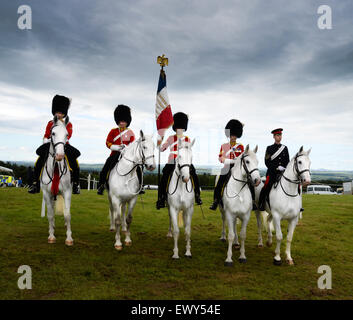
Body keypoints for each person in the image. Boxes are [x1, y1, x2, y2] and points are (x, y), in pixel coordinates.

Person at [28, 95, 81, 194]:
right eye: (57, 112)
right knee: (38, 162)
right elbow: (46, 134)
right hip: (50, 144)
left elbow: (68, 135)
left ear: (64, 114)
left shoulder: (68, 124)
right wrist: (46, 140)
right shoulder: (50, 123)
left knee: (74, 162)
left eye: (61, 113)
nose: (58, 114)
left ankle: (76, 184)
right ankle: (35, 184)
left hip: (63, 145)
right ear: (54, 112)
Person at [156, 112, 202, 209]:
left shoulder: (187, 139)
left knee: (194, 174)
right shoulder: (170, 138)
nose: (179, 129)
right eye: (178, 127)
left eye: (181, 128)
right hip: (172, 160)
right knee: (165, 176)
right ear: (175, 127)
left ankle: (197, 195)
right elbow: (161, 149)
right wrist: (160, 140)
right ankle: (161, 198)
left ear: (184, 128)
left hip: (184, 161)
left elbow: (188, 151)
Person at [97, 104, 142, 195]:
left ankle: (140, 185)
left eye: (124, 121)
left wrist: (126, 148)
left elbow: (133, 144)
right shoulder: (113, 131)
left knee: (138, 168)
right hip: (114, 154)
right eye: (120, 121)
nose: (122, 123)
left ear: (127, 121)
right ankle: (101, 185)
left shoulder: (130, 132)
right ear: (117, 120)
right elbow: (108, 142)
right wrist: (116, 147)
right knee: (105, 168)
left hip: (127, 155)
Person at [209, 119, 245, 210]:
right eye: (232, 135)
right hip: (226, 168)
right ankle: (216, 201)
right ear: (229, 135)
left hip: (237, 168)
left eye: (235, 135)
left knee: (248, 181)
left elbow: (242, 158)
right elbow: (221, 158)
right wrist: (230, 161)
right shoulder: (224, 146)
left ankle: (252, 200)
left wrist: (237, 161)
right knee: (220, 183)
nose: (234, 137)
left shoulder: (240, 146)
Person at [258, 128, 290, 211]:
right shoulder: (269, 148)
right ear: (274, 136)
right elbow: (267, 162)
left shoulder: (285, 148)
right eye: (277, 135)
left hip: (283, 172)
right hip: (272, 173)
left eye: (280, 135)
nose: (279, 137)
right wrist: (276, 168)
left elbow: (287, 161)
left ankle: (296, 206)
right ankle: (261, 204)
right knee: (266, 186)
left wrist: (284, 168)